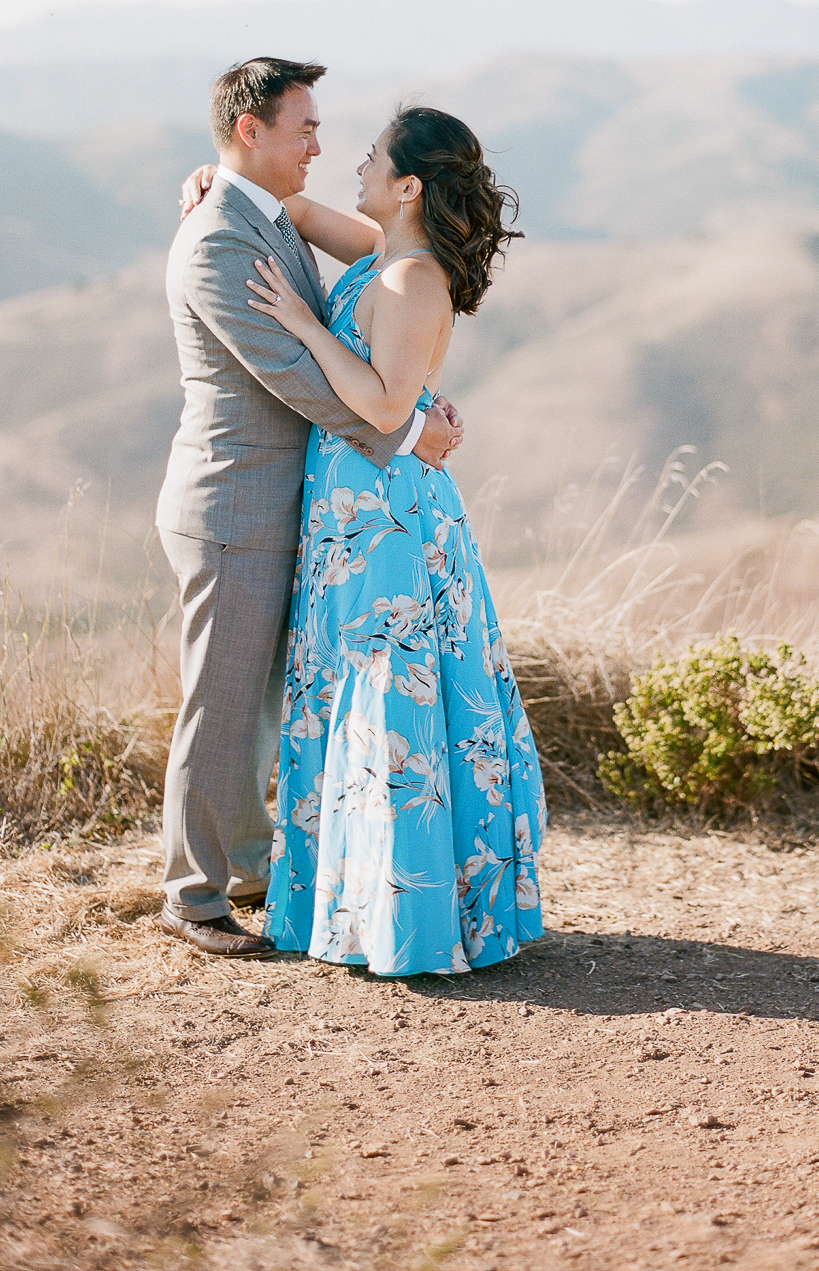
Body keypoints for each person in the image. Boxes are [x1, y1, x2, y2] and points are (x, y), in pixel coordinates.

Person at [180, 104, 546, 977]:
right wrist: (206, 179)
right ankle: (353, 899)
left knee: (396, 707)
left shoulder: (413, 277)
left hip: (387, 516)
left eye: (374, 159)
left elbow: (385, 406)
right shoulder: (380, 252)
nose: (355, 165)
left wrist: (307, 329)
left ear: (409, 185)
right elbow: (292, 212)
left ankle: (411, 915)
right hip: (347, 511)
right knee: (349, 696)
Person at [156, 59, 459, 960]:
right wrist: (405, 435)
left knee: (261, 702)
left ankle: (249, 862)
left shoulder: (260, 215)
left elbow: (366, 287)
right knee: (220, 701)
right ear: (251, 129)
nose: (320, 146)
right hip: (231, 504)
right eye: (305, 129)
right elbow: (291, 376)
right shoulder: (217, 240)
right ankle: (194, 896)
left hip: (296, 506)